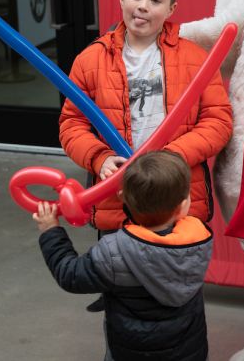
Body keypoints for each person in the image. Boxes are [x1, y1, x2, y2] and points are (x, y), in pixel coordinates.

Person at [59, 0, 231, 234]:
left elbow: (218, 121)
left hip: (175, 198)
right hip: (117, 200)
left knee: (173, 275)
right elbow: (71, 124)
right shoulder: (89, 60)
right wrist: (99, 158)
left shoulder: (196, 59)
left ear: (171, 9)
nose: (143, 6)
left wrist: (171, 157)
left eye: (155, 0)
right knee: (118, 274)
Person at [34, 150, 213, 361]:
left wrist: (51, 231)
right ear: (183, 205)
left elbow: (70, 275)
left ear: (122, 199)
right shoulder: (197, 238)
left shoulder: (113, 251)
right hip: (189, 353)